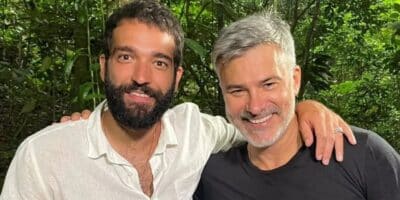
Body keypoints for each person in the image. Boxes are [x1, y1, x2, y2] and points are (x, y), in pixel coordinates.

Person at [1, 1, 355, 199]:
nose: (142, 76)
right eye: (126, 57)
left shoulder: (194, 130)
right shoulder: (43, 158)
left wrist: (305, 106)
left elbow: (258, 122)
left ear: (177, 77)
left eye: (159, 62)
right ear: (104, 65)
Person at [194, 11, 400, 200]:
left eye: (268, 84)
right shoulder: (210, 177)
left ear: (295, 80)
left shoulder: (364, 156)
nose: (255, 107)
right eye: (237, 90)